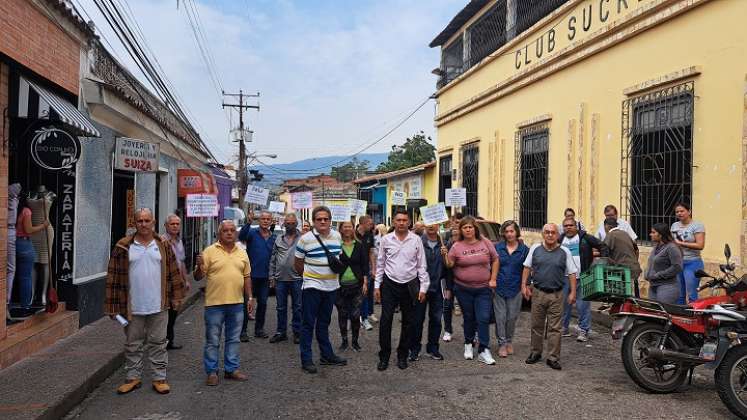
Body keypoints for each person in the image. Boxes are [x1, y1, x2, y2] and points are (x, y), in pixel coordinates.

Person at [105, 208, 185, 394]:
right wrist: (112, 307)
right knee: (133, 344)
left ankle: (159, 378)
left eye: (147, 220)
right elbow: (113, 278)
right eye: (139, 221)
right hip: (132, 307)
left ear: (153, 222)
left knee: (159, 342)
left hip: (159, 304)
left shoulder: (163, 245)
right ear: (134, 223)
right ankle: (133, 378)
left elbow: (173, 272)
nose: (143, 224)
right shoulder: (123, 246)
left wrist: (176, 297)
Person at [193, 220, 253, 386]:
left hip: (237, 304)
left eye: (232, 230)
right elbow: (198, 277)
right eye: (225, 230)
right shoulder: (209, 252)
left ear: (236, 233)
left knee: (233, 339)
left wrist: (249, 298)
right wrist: (198, 266)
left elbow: (247, 276)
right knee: (213, 340)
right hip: (214, 305)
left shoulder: (242, 252)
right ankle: (212, 372)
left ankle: (231, 369)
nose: (229, 233)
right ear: (219, 234)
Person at [294, 206, 347, 374]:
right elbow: (298, 263)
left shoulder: (337, 236)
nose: (323, 222)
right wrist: (310, 278)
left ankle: (326, 355)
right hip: (312, 287)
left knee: (324, 323)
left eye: (326, 219)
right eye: (319, 219)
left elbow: (337, 257)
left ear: (330, 220)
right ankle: (306, 359)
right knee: (308, 323)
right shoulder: (305, 239)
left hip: (331, 287)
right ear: (314, 222)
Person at [374, 210, 429, 371]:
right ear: (394, 222)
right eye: (398, 220)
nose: (401, 222)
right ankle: (384, 356)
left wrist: (423, 287)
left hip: (410, 285)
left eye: (405, 220)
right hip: (390, 284)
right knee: (385, 320)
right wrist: (377, 285)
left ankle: (402, 355)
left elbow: (421, 265)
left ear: (409, 222)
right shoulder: (386, 240)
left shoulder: (416, 240)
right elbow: (380, 264)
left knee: (408, 322)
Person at [522, 223, 578, 371]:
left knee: (555, 328)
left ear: (558, 235)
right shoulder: (535, 248)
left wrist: (573, 292)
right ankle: (535, 353)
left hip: (557, 295)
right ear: (542, 234)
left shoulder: (564, 251)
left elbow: (572, 273)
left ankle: (553, 358)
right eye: (547, 232)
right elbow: (527, 267)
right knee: (536, 326)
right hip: (538, 293)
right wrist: (524, 285)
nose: (550, 235)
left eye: (553, 232)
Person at [444, 216, 499, 365]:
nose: (468, 229)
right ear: (461, 230)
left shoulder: (485, 242)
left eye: (470, 227)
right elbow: (450, 265)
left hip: (483, 289)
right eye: (465, 227)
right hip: (463, 289)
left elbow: (495, 259)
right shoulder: (456, 246)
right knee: (469, 318)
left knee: (483, 318)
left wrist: (493, 279)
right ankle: (468, 344)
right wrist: (445, 254)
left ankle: (483, 350)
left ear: (475, 228)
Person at [559, 216, 608, 342]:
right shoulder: (560, 239)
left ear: (576, 226)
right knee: (564, 304)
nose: (568, 228)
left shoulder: (585, 238)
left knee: (583, 305)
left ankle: (583, 330)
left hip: (583, 276)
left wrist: (601, 262)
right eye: (566, 226)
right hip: (564, 278)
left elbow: (602, 246)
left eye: (571, 225)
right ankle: (563, 328)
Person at [493, 220, 529, 358]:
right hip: (499, 287)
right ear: (503, 233)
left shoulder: (524, 250)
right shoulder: (497, 248)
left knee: (512, 318)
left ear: (517, 232)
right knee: (500, 317)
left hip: (516, 288)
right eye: (506, 231)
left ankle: (509, 341)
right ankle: (502, 343)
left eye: (512, 231)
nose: (509, 234)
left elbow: (528, 268)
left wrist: (526, 285)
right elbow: (492, 265)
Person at [411, 224, 446, 361]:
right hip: (420, 288)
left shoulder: (444, 243)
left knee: (436, 320)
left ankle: (433, 348)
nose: (431, 226)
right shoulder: (417, 242)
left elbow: (448, 267)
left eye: (434, 224)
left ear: (438, 226)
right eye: (428, 223)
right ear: (425, 225)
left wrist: (447, 287)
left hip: (437, 288)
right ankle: (414, 348)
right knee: (417, 320)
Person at [238, 211, 276, 340]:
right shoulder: (252, 233)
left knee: (263, 304)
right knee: (246, 304)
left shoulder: (273, 237)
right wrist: (248, 222)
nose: (265, 221)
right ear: (259, 221)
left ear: (271, 221)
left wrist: (273, 276)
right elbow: (241, 236)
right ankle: (243, 332)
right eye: (263, 219)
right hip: (250, 276)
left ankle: (259, 329)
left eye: (268, 219)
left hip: (265, 277)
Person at [335, 221, 369, 351]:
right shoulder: (336, 245)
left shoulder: (359, 246)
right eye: (345, 227)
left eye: (350, 226)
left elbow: (365, 265)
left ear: (353, 229)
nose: (348, 229)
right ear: (341, 229)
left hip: (357, 285)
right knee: (342, 314)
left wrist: (365, 282)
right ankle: (344, 341)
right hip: (340, 286)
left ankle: (355, 342)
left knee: (355, 315)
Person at [269, 213, 302, 344]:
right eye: (288, 223)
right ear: (284, 224)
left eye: (293, 223)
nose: (290, 225)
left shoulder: (303, 238)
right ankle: (281, 332)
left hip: (297, 279)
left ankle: (297, 332)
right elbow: (273, 258)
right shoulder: (278, 238)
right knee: (280, 307)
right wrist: (271, 276)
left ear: (296, 224)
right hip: (280, 279)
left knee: (298, 307)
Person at [161, 214, 191, 350]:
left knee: (174, 312)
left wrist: (186, 280)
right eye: (172, 224)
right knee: (165, 312)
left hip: (178, 282)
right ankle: (162, 341)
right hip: (166, 282)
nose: (175, 226)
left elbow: (182, 262)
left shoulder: (179, 241)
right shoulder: (161, 241)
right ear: (166, 226)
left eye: (177, 224)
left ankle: (169, 340)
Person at [15, 193, 49, 310]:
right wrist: (43, 225)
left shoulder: (11, 210)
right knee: (25, 277)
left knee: (11, 276)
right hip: (24, 244)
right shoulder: (26, 211)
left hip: (11, 243)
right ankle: (26, 305)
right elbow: (28, 230)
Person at [671, 202, 705, 304]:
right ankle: (681, 316)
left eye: (682, 211)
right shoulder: (674, 225)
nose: (679, 213)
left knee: (691, 294)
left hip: (693, 262)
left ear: (689, 211)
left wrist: (680, 243)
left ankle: (694, 317)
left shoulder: (697, 225)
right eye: (677, 212)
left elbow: (700, 245)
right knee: (679, 294)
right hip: (678, 262)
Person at [603, 217, 642, 297]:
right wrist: (634, 261)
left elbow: (603, 251)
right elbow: (636, 250)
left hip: (624, 271)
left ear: (607, 226)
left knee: (626, 298)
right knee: (633, 296)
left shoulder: (611, 235)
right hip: (634, 268)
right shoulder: (625, 233)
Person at [645, 223, 683, 304]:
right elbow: (651, 263)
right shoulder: (657, 247)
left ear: (661, 234)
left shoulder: (671, 247)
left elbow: (677, 267)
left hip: (667, 287)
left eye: (653, 232)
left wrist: (658, 275)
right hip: (653, 286)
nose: (650, 234)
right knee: (652, 313)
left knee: (664, 313)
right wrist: (647, 274)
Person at [355, 216, 376, 331]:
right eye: (370, 224)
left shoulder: (370, 235)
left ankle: (364, 318)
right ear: (362, 223)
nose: (372, 226)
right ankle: (352, 318)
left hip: (365, 268)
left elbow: (371, 252)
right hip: (354, 269)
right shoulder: (352, 234)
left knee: (365, 293)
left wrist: (373, 268)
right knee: (352, 294)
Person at [442, 225, 460, 342]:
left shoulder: (466, 245)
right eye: (453, 235)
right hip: (450, 281)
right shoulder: (447, 246)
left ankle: (472, 332)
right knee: (447, 306)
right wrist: (444, 255)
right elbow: (446, 267)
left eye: (457, 235)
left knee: (468, 308)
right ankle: (448, 330)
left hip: (464, 282)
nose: (455, 237)